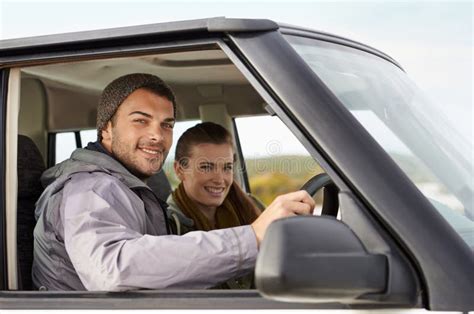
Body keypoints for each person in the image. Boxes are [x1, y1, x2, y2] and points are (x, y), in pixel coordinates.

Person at [32, 73, 315, 291]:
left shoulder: (130, 189)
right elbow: (113, 269)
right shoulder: (90, 188)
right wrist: (251, 237)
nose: (158, 135)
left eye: (166, 124)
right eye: (141, 121)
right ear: (106, 129)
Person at [167, 122, 260, 288]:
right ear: (180, 170)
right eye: (206, 167)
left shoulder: (251, 206)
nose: (219, 179)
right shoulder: (168, 225)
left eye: (227, 168)